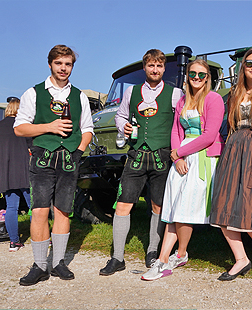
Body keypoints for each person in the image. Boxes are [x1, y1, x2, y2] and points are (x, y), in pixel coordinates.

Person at [14, 45, 93, 286]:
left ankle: (58, 262)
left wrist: (78, 152)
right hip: (42, 157)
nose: (63, 68)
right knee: (39, 209)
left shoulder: (79, 96)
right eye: (59, 63)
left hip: (69, 159)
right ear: (50, 64)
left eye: (68, 64)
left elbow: (87, 129)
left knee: (63, 210)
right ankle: (39, 265)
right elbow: (19, 128)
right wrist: (50, 127)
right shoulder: (34, 93)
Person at [102, 49, 182, 276]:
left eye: (159, 66)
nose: (155, 70)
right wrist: (123, 126)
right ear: (145, 68)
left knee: (158, 205)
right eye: (151, 66)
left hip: (162, 157)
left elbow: (181, 122)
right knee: (123, 205)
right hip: (136, 156)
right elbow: (120, 115)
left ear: (164, 69)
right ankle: (117, 257)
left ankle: (152, 251)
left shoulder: (175, 93)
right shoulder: (132, 91)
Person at [142, 58, 223, 281]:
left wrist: (180, 153)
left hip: (202, 159)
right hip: (182, 158)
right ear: (187, 76)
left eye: (201, 75)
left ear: (207, 78)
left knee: (183, 210)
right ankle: (175, 255)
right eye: (193, 74)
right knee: (174, 209)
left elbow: (209, 135)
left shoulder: (214, 99)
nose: (196, 78)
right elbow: (176, 130)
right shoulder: (183, 100)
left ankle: (165, 259)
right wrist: (177, 156)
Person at [209, 47, 252, 281]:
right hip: (233, 147)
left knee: (249, 204)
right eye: (250, 63)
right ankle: (241, 258)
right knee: (223, 202)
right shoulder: (234, 92)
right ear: (243, 67)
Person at [0, 96, 32, 252]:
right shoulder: (24, 126)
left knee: (11, 208)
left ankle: (14, 242)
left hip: (7, 172)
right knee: (34, 207)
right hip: (24, 170)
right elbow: (32, 147)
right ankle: (43, 238)